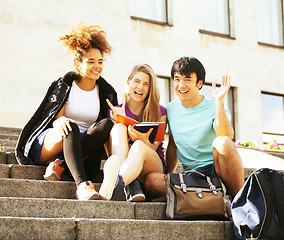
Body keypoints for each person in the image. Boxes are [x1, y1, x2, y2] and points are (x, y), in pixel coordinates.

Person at [15, 22, 118, 200]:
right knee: (71, 127)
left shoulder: (105, 92)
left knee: (107, 124)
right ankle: (82, 185)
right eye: (91, 61)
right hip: (53, 139)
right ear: (78, 64)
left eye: (100, 62)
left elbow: (101, 130)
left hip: (80, 148)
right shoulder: (65, 85)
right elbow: (51, 118)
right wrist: (59, 121)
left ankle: (59, 165)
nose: (97, 66)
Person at [144, 56, 245, 199]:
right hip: (192, 176)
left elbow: (226, 136)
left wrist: (219, 101)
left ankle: (238, 200)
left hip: (217, 169)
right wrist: (169, 174)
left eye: (187, 80)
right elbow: (173, 146)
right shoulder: (172, 109)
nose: (181, 85)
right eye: (177, 79)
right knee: (152, 182)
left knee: (223, 142)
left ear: (199, 84)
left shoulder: (214, 105)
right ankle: (210, 194)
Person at [97, 64, 167, 201]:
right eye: (137, 81)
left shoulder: (160, 112)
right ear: (129, 82)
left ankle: (117, 185)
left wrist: (141, 138)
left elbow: (154, 146)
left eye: (146, 84)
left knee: (139, 146)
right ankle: (131, 185)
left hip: (153, 164)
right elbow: (110, 146)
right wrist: (120, 121)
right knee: (118, 128)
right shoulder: (116, 110)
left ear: (150, 88)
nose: (140, 87)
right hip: (127, 161)